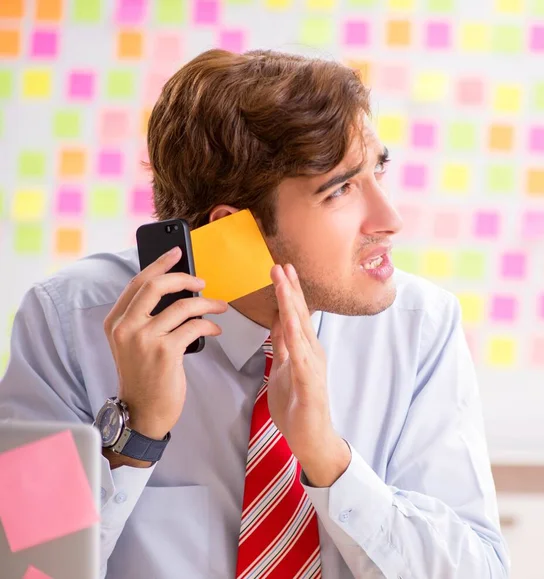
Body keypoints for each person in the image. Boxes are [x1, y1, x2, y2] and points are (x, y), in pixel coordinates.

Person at [0, 48, 509, 578]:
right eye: (340, 190)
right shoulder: (68, 322)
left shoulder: (420, 328)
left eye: (377, 171)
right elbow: (26, 570)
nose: (390, 219)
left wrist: (329, 460)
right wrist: (136, 437)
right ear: (236, 229)